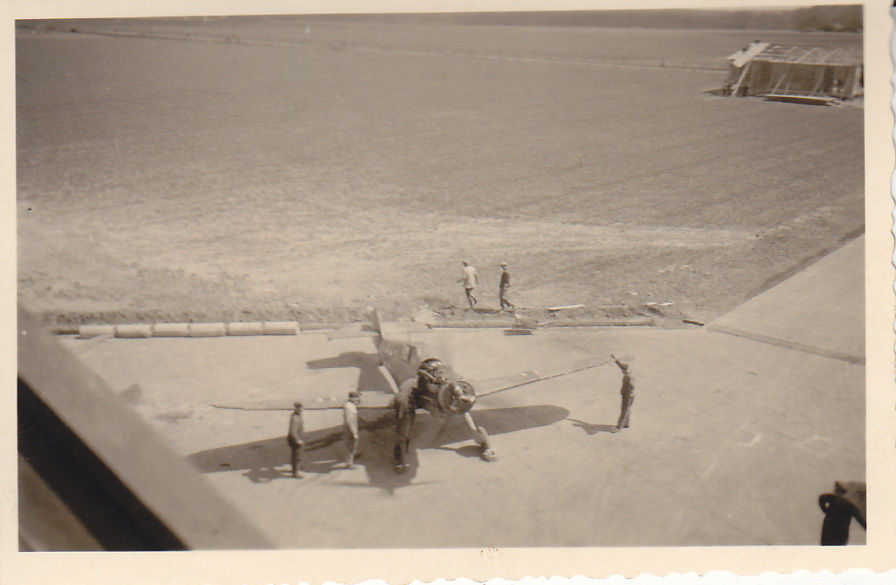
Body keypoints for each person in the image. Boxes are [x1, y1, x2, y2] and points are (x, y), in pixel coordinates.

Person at [610, 355, 635, 432]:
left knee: (624, 410)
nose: (622, 371)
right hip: (628, 395)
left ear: (625, 370)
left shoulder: (628, 377)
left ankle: (618, 427)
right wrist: (616, 360)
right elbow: (621, 366)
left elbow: (632, 386)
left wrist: (629, 392)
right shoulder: (627, 372)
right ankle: (626, 424)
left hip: (628, 395)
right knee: (627, 409)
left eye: (623, 370)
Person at [343, 391, 361, 469]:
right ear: (352, 398)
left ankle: (354, 454)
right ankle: (349, 463)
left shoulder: (351, 404)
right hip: (350, 428)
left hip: (353, 427)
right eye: (356, 397)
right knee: (350, 445)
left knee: (353, 443)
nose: (358, 399)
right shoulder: (349, 407)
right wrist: (353, 432)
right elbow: (349, 421)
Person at [286, 401, 304, 478]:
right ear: (296, 409)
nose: (301, 409)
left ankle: (295, 469)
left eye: (301, 408)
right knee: (297, 456)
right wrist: (297, 440)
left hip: (294, 439)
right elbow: (293, 431)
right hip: (295, 440)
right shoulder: (295, 418)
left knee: (295, 455)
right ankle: (296, 473)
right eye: (299, 408)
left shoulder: (296, 415)